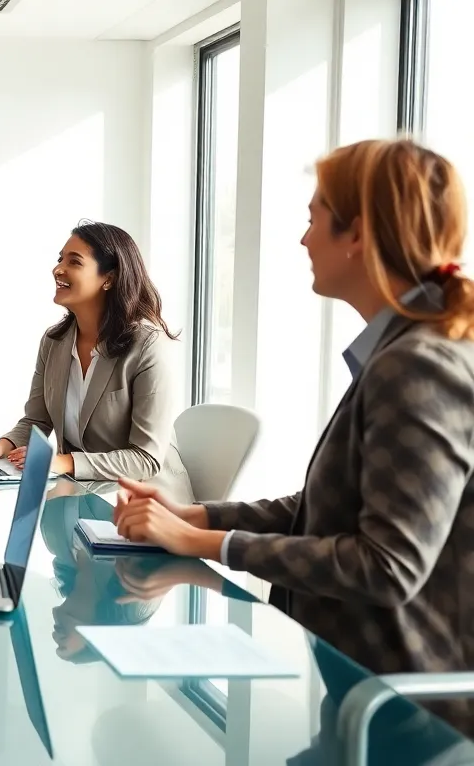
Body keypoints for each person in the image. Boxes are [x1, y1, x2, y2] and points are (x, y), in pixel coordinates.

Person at [111, 140, 474, 728]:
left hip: (404, 718)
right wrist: (197, 517)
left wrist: (203, 545)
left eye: (313, 220)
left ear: (356, 235)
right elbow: (331, 510)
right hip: (359, 694)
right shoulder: (402, 353)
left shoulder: (419, 366)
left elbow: (386, 565)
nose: (304, 239)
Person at [0, 221, 193, 502]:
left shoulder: (149, 345)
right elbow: (37, 419)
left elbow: (145, 459)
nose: (58, 269)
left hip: (148, 504)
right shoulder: (55, 341)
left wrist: (65, 462)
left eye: (74, 262)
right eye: (60, 259)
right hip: (80, 497)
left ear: (110, 278)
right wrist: (3, 446)